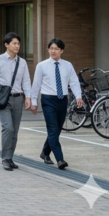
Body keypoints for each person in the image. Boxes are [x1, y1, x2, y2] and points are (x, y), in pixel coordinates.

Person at [30, 38, 82, 170]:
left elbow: (74, 82)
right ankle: (60, 159)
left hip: (62, 100)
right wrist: (33, 102)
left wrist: (78, 96)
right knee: (53, 129)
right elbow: (36, 85)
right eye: (51, 48)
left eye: (56, 49)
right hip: (48, 100)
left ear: (62, 51)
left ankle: (45, 153)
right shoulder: (41, 66)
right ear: (48, 50)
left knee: (57, 130)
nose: (53, 51)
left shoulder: (68, 65)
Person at [0, 32, 32, 171]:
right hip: (3, 99)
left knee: (14, 131)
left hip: (18, 98)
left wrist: (28, 97)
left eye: (18, 43)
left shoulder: (22, 62)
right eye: (14, 43)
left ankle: (10, 158)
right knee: (8, 128)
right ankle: (5, 158)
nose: (17, 46)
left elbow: (26, 81)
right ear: (6, 44)